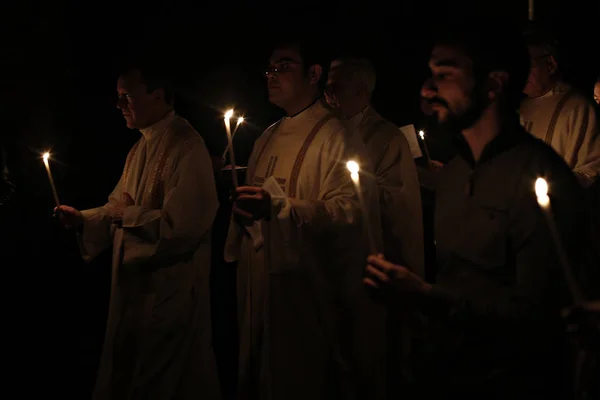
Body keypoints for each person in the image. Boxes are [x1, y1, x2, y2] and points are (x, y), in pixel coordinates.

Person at [365, 19, 588, 398]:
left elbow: (540, 319)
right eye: (429, 73)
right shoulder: (454, 175)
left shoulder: (538, 176)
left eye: (445, 74)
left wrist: (426, 296)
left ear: (493, 84)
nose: (427, 88)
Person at [225, 40, 385, 400]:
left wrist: (282, 208)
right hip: (262, 285)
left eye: (283, 66)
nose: (272, 76)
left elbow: (350, 209)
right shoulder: (266, 137)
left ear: (314, 74)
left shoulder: (338, 135)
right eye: (269, 69)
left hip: (307, 291)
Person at [56, 64, 221, 400]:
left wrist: (127, 214)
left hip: (168, 293)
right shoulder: (140, 147)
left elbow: (183, 227)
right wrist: (84, 218)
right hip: (135, 292)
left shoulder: (187, 146)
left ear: (158, 95)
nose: (119, 105)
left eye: (127, 96)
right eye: (118, 97)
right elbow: (116, 206)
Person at [325, 57, 423, 274]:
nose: (329, 92)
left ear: (361, 89)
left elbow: (398, 210)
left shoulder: (388, 138)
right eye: (327, 85)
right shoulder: (325, 134)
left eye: (337, 85)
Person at [519, 26, 600, 187]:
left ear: (550, 64)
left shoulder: (578, 109)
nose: (521, 71)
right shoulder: (517, 108)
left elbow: (592, 168)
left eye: (527, 63)